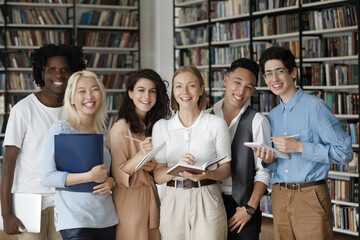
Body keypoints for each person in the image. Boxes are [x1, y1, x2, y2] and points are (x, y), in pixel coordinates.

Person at [256, 46, 353, 240]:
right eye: (268, 74)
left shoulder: (315, 107)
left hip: (310, 195)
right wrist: (268, 160)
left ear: (293, 72)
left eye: (279, 71)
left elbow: (345, 153)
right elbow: (279, 161)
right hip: (279, 195)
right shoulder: (272, 116)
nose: (273, 79)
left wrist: (300, 147)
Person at [1, 44, 86, 239]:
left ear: (73, 73)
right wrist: (5, 213)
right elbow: (8, 165)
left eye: (65, 70)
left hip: (66, 202)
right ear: (42, 72)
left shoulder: (77, 110)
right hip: (29, 203)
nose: (59, 75)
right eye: (52, 70)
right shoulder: (23, 110)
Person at [152, 65, 231, 240]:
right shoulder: (161, 127)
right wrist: (176, 167)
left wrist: (207, 174)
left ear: (201, 89)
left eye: (191, 85)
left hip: (208, 197)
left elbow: (226, 169)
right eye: (179, 86)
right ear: (173, 91)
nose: (185, 91)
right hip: (173, 199)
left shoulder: (216, 124)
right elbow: (158, 176)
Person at [41, 70, 118, 240]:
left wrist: (111, 181)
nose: (89, 96)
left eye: (94, 89)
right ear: (71, 99)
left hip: (106, 219)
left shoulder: (105, 133)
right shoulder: (61, 130)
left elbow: (111, 175)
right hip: (74, 221)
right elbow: (47, 177)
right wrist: (89, 176)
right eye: (81, 91)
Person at [207, 58, 271, 240]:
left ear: (254, 91)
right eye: (237, 82)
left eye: (249, 87)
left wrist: (250, 208)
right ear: (226, 80)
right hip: (209, 203)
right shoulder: (205, 117)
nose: (241, 91)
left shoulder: (258, 121)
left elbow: (264, 172)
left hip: (243, 206)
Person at [108, 69, 171, 240]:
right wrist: (139, 157)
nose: (147, 96)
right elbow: (118, 175)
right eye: (141, 90)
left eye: (152, 91)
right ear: (130, 93)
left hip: (151, 197)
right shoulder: (120, 128)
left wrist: (150, 167)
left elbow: (155, 168)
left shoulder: (155, 126)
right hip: (129, 200)